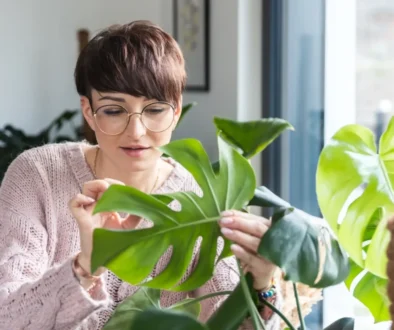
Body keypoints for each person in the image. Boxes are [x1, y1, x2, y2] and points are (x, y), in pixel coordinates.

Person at [0, 20, 320, 329]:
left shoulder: (200, 201)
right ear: (89, 111)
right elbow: (7, 317)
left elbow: (231, 324)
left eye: (154, 110)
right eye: (114, 110)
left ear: (176, 111)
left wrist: (263, 283)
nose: (136, 131)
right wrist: (86, 265)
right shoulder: (38, 176)